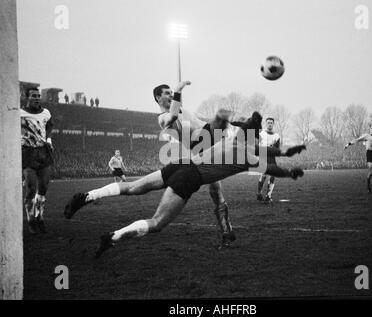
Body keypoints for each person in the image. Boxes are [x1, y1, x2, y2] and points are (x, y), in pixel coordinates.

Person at [63, 112, 306, 258]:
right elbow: (270, 164)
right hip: (190, 177)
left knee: (133, 186)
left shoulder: (235, 140)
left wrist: (286, 149)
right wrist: (290, 171)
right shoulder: (249, 156)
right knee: (157, 222)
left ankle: (87, 196)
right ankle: (113, 237)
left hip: (179, 164)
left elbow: (264, 145)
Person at [155, 81, 235, 248]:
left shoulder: (181, 108)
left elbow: (198, 122)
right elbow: (173, 116)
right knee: (215, 189)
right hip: (199, 147)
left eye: (171, 93)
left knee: (227, 117)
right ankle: (227, 232)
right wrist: (178, 90)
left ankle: (227, 232)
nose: (170, 95)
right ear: (157, 97)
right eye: (167, 93)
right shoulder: (163, 118)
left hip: (207, 135)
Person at [21, 87, 54, 233]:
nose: (36, 98)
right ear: (26, 97)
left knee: (43, 189)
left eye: (38, 96)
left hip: (43, 152)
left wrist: (48, 139)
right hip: (28, 153)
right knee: (31, 189)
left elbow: (49, 126)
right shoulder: (19, 113)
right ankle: (31, 221)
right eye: (33, 95)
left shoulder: (46, 113)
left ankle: (40, 217)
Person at [344, 123, 372, 193]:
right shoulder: (366, 136)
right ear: (370, 129)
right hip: (370, 153)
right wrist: (348, 144)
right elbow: (357, 140)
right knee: (371, 169)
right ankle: (368, 186)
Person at [256, 117, 281, 203]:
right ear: (266, 124)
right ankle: (259, 193)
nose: (270, 124)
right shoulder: (261, 134)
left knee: (273, 176)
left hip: (271, 157)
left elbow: (277, 148)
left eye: (271, 123)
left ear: (273, 124)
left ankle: (268, 196)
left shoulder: (277, 136)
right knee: (264, 175)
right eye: (268, 122)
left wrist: (273, 147)